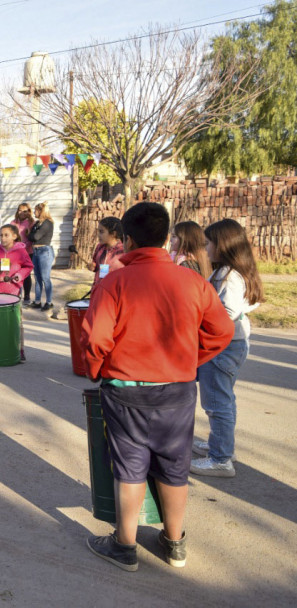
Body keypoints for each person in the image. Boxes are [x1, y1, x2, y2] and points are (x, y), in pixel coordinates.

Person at [80, 202, 234, 572]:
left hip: (125, 389)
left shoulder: (115, 282)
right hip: (177, 389)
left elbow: (95, 338)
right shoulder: (193, 281)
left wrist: (97, 369)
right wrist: (190, 360)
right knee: (174, 465)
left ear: (129, 239)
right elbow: (222, 331)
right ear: (166, 238)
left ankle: (125, 545)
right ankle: (174, 543)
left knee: (129, 467)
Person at [191, 219, 264, 478]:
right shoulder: (231, 271)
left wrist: (202, 319)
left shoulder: (229, 275)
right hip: (231, 345)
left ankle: (221, 459)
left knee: (216, 402)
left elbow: (229, 311)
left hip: (222, 348)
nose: (205, 247)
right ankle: (220, 445)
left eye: (209, 242)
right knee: (224, 399)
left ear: (223, 245)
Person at [0, 224, 34, 361]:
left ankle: (19, 349)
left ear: (14, 236)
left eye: (6, 235)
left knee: (16, 322)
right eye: (1, 235)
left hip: (13, 292)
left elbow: (28, 266)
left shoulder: (21, 252)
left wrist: (19, 275)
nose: (3, 237)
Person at [28, 202, 55, 310]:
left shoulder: (47, 223)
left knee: (45, 277)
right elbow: (30, 235)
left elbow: (35, 236)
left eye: (35, 210)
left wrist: (32, 235)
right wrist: (32, 235)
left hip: (44, 251)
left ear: (41, 211)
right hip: (36, 251)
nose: (34, 212)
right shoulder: (37, 223)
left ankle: (49, 302)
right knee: (37, 277)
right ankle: (37, 301)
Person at [87, 217, 125, 293]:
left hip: (114, 293)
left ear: (113, 234)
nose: (98, 235)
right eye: (98, 231)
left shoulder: (123, 251)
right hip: (98, 290)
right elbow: (96, 263)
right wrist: (93, 266)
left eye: (101, 232)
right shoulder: (99, 247)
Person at [11, 203, 34, 305]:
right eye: (20, 210)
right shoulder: (13, 222)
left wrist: (24, 245)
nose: (22, 213)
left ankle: (27, 296)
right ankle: (16, 294)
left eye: (25, 211)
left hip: (28, 252)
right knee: (15, 273)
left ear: (28, 212)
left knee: (26, 274)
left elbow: (32, 238)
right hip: (15, 252)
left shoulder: (31, 223)